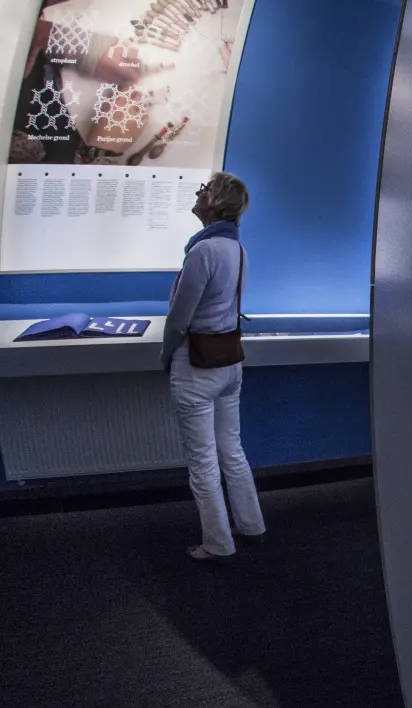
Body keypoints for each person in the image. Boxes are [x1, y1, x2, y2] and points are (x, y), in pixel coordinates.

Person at [162, 172, 265, 564]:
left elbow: (178, 319)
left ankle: (218, 544)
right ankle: (252, 525)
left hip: (196, 368)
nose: (198, 194)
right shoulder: (238, 250)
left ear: (217, 202)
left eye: (204, 190)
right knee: (232, 451)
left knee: (203, 461)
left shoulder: (202, 252)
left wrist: (165, 355)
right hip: (229, 365)